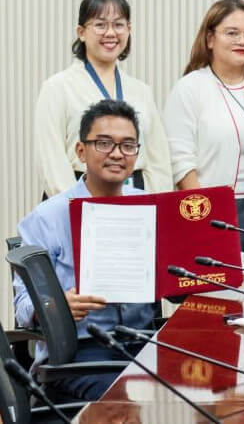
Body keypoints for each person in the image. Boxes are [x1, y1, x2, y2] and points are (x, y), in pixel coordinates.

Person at [15, 100, 154, 400]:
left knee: (201, 386)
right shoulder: (46, 217)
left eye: (128, 145)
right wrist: (55, 306)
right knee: (127, 400)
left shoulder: (148, 206)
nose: (117, 154)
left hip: (143, 342)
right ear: (81, 151)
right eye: (104, 143)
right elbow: (24, 304)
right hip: (81, 353)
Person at [164, 0, 244, 258]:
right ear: (210, 38)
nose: (242, 41)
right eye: (232, 33)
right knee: (219, 291)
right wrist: (203, 214)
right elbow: (181, 160)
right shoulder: (191, 88)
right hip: (217, 207)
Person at [34, 0, 172, 196]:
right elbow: (51, 160)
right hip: (78, 195)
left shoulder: (141, 91)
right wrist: (77, 206)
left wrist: (154, 202)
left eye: (118, 25)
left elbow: (159, 160)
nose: (110, 33)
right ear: (81, 32)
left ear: (129, 29)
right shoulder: (57, 87)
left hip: (135, 197)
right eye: (100, 25)